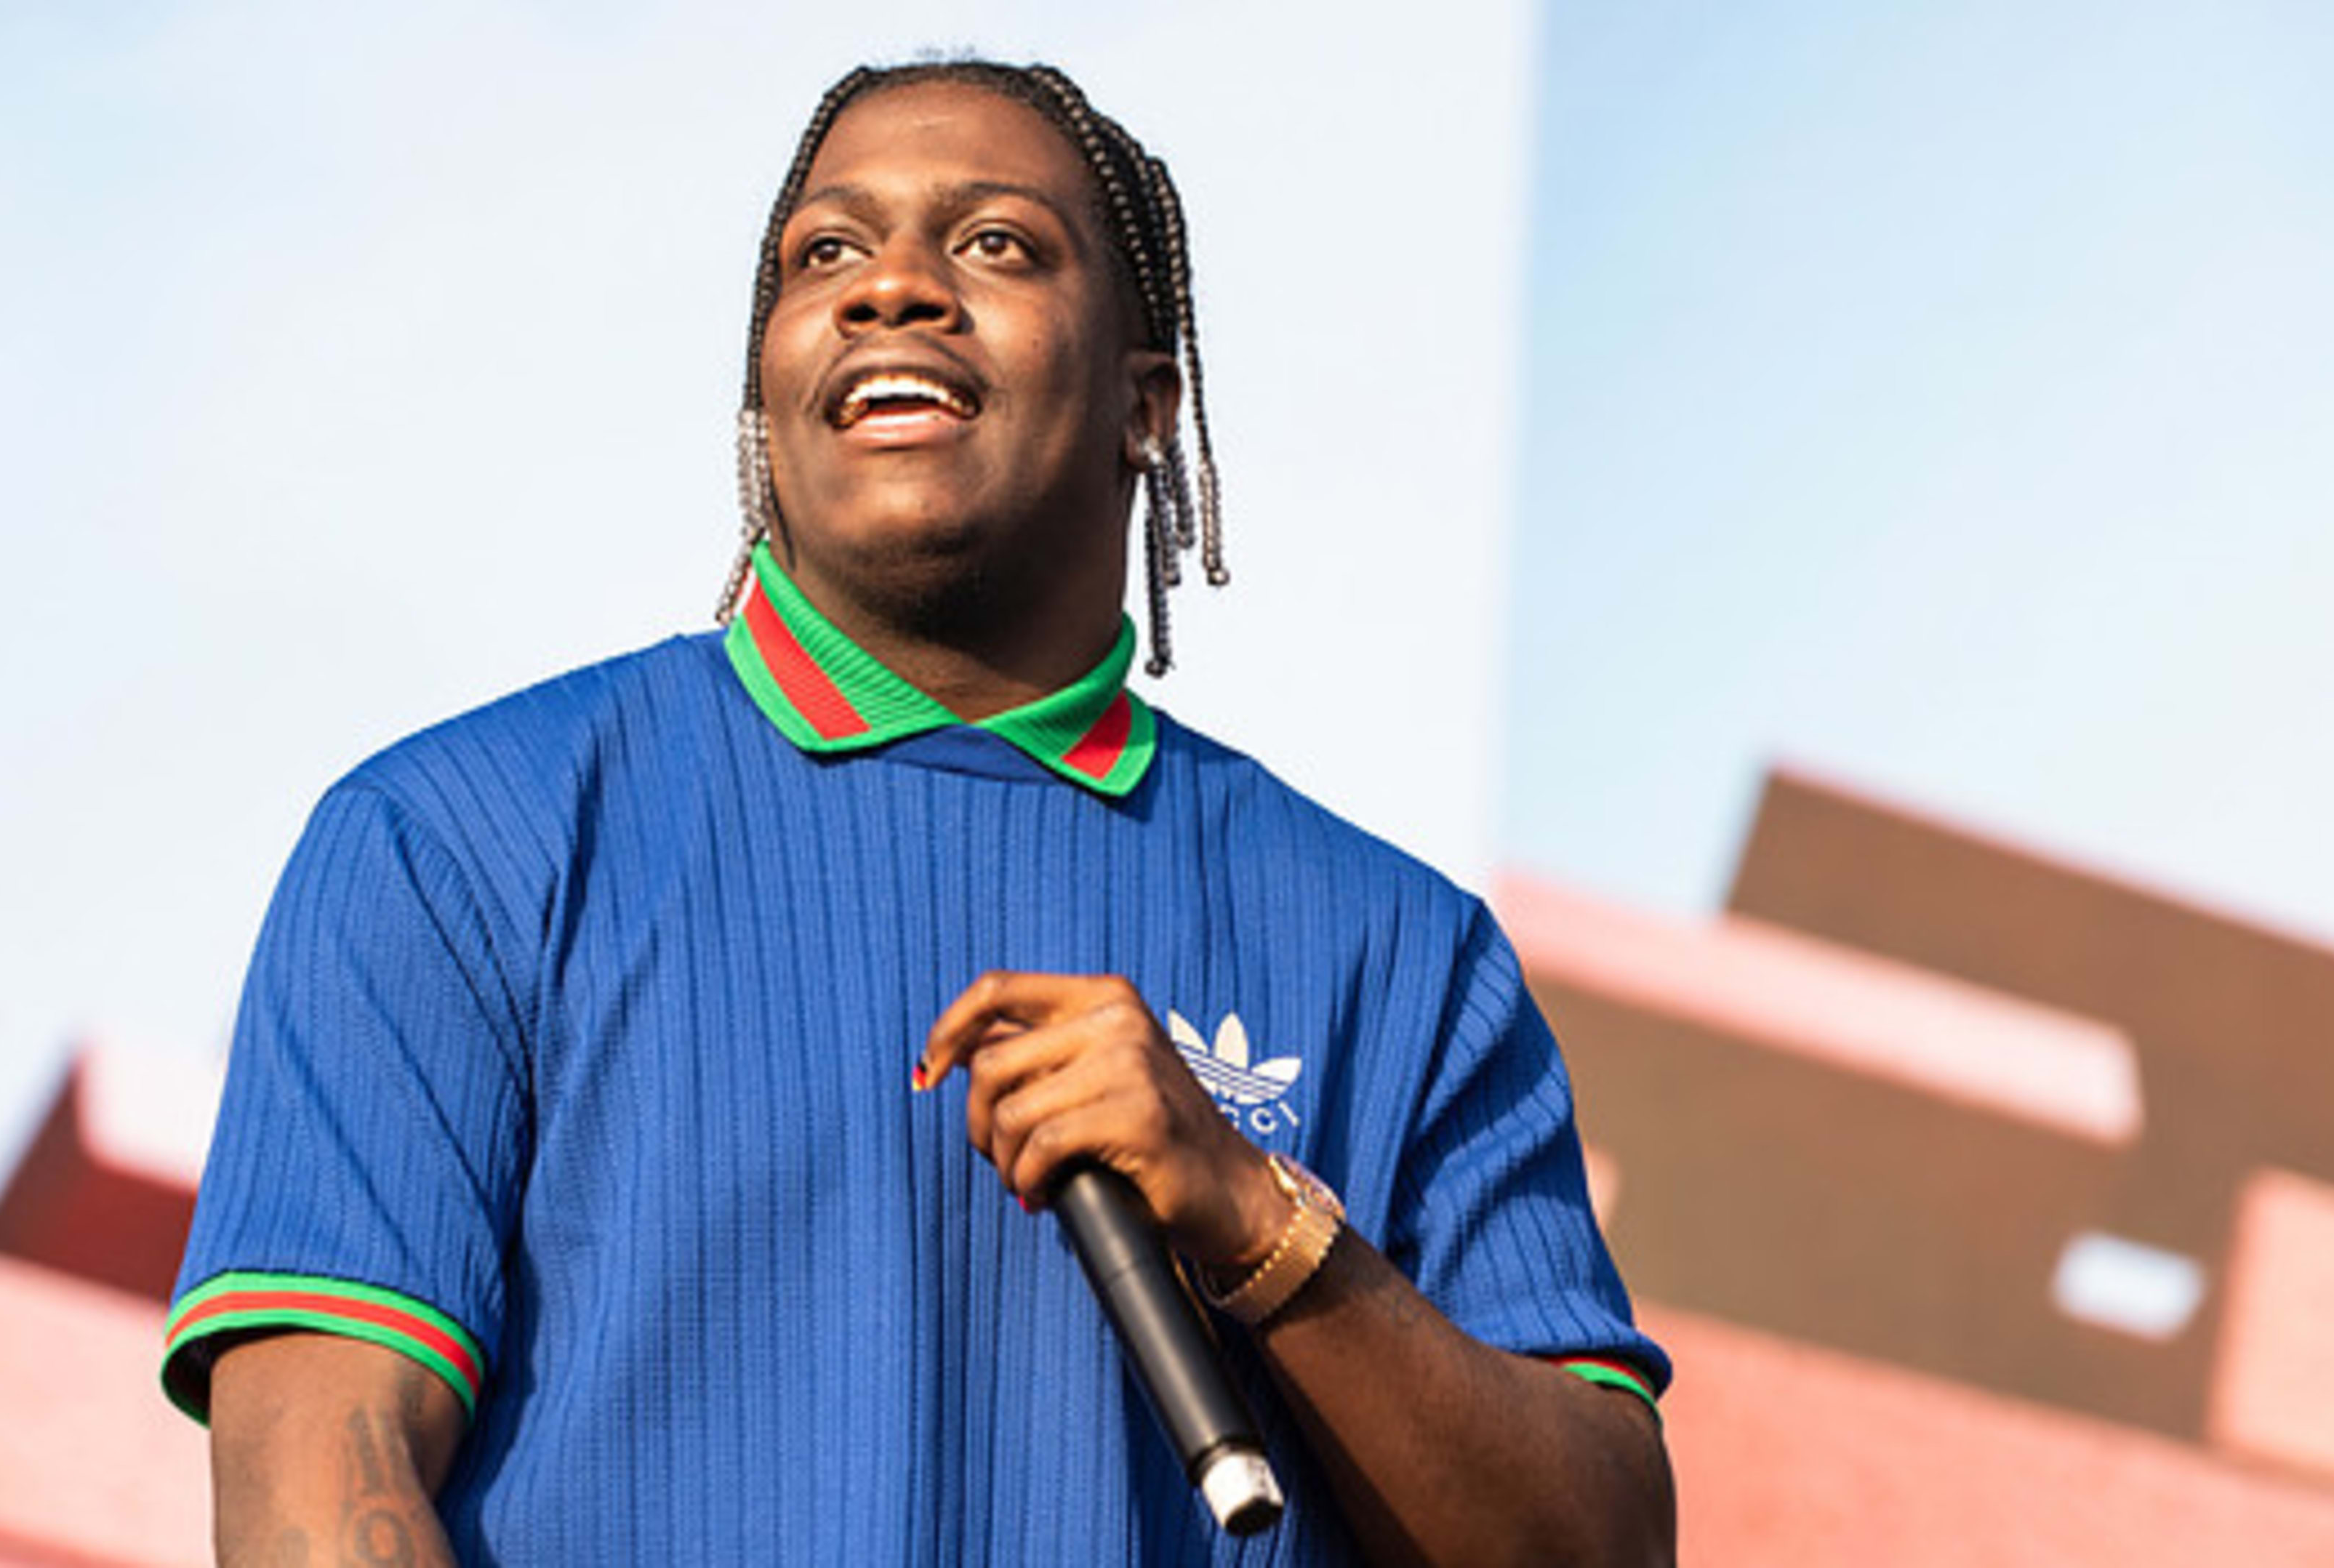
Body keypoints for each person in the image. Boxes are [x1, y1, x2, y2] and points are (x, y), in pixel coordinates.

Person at [162, 58, 1674, 1567]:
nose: (891, 289)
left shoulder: (1404, 950)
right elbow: (315, 1495)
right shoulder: (451, 843)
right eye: (827, 252)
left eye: (997, 243)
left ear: (1147, 403)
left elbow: (1602, 1544)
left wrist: (1256, 1213)